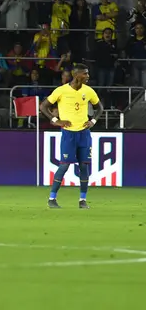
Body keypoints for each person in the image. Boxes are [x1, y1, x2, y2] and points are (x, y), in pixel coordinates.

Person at [39, 63, 104, 209]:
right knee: (64, 165)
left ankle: (82, 200)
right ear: (76, 75)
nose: (88, 76)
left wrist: (93, 121)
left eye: (87, 74)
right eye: (85, 74)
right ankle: (52, 199)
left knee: (84, 166)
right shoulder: (61, 91)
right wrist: (56, 121)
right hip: (68, 134)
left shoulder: (89, 91)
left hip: (84, 134)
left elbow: (100, 107)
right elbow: (43, 106)